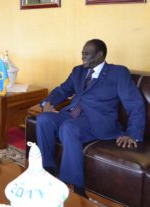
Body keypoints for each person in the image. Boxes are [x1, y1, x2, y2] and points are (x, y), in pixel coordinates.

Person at [36, 39, 145, 197]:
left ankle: (76, 188)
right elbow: (63, 89)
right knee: (44, 119)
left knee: (69, 127)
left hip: (100, 120)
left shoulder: (118, 73)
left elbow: (134, 103)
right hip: (73, 114)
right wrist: (47, 102)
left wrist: (132, 133)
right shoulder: (78, 71)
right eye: (82, 53)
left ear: (100, 55)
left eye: (87, 54)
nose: (83, 57)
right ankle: (47, 169)